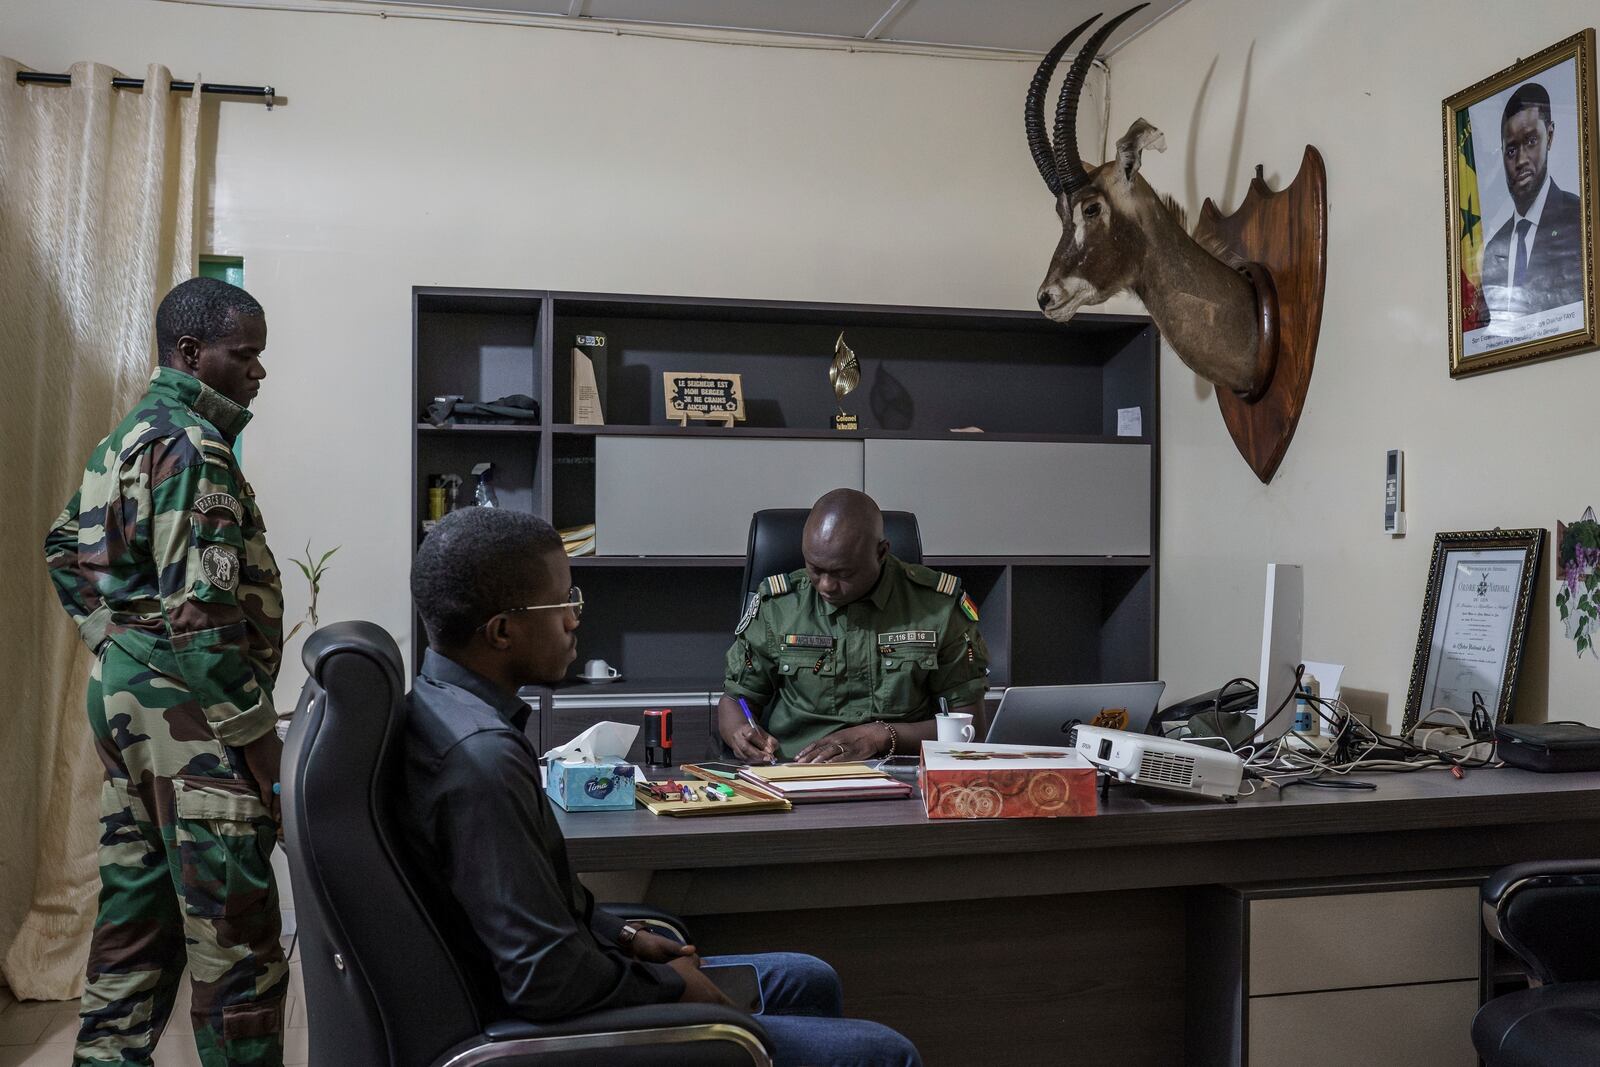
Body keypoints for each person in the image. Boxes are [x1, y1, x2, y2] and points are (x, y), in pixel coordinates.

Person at [402, 507, 920, 1066]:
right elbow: (543, 979)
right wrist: (672, 987)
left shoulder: (451, 713)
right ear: (502, 631)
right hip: (547, 1029)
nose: (576, 621)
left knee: (808, 980)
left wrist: (621, 937)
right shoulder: (481, 761)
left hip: (558, 982)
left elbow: (536, 910)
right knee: (885, 1054)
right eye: (564, 605)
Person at [43, 277, 286, 1064]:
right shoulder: (193, 445)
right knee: (239, 948)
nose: (257, 372)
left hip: (130, 724)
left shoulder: (127, 438)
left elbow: (61, 547)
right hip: (195, 729)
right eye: (244, 355)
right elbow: (203, 621)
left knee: (134, 933)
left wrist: (118, 645)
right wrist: (263, 748)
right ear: (191, 352)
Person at [718, 489, 989, 763]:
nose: (825, 585)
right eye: (815, 568)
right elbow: (735, 701)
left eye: (843, 573)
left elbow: (970, 728)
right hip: (799, 773)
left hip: (903, 773)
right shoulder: (778, 606)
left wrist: (881, 736)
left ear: (881, 552)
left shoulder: (938, 607)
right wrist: (740, 733)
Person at [1483, 81, 1585, 319]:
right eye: (1511, 150)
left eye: (1531, 141)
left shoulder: (1579, 220)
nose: (1520, 160)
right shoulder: (1493, 250)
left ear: (1549, 136)